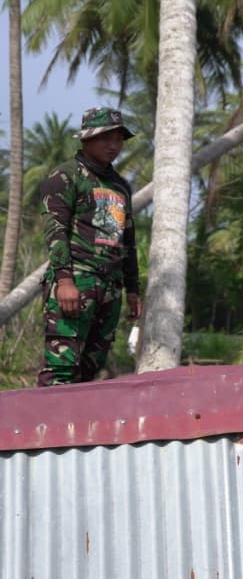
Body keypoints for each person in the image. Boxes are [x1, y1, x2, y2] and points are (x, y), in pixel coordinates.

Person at [37, 107, 142, 386]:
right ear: (86, 139)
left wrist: (133, 289)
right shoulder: (65, 177)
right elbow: (55, 232)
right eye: (106, 138)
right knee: (61, 370)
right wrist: (64, 281)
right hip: (76, 281)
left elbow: (128, 240)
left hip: (110, 288)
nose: (113, 146)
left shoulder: (120, 186)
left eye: (118, 139)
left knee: (89, 374)